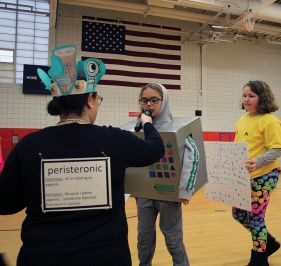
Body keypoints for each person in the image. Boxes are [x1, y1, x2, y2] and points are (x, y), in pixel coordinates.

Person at [0, 45, 165, 266]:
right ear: (89, 101)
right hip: (105, 257)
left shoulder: (28, 146)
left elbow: (5, 204)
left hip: (42, 257)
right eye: (98, 100)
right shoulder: (114, 140)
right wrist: (148, 124)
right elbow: (156, 149)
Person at [135, 83, 199, 266]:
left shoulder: (177, 128)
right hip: (145, 195)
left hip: (168, 194)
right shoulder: (137, 129)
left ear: (164, 101)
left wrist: (185, 190)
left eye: (154, 100)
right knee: (143, 238)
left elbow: (191, 158)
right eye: (144, 100)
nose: (149, 104)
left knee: (172, 238)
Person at [232, 80, 281, 266]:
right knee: (238, 214)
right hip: (245, 176)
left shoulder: (270, 121)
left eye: (251, 96)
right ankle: (268, 242)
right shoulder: (242, 120)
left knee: (255, 217)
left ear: (262, 98)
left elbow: (277, 150)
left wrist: (258, 162)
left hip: (264, 175)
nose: (246, 99)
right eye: (244, 95)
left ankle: (259, 259)